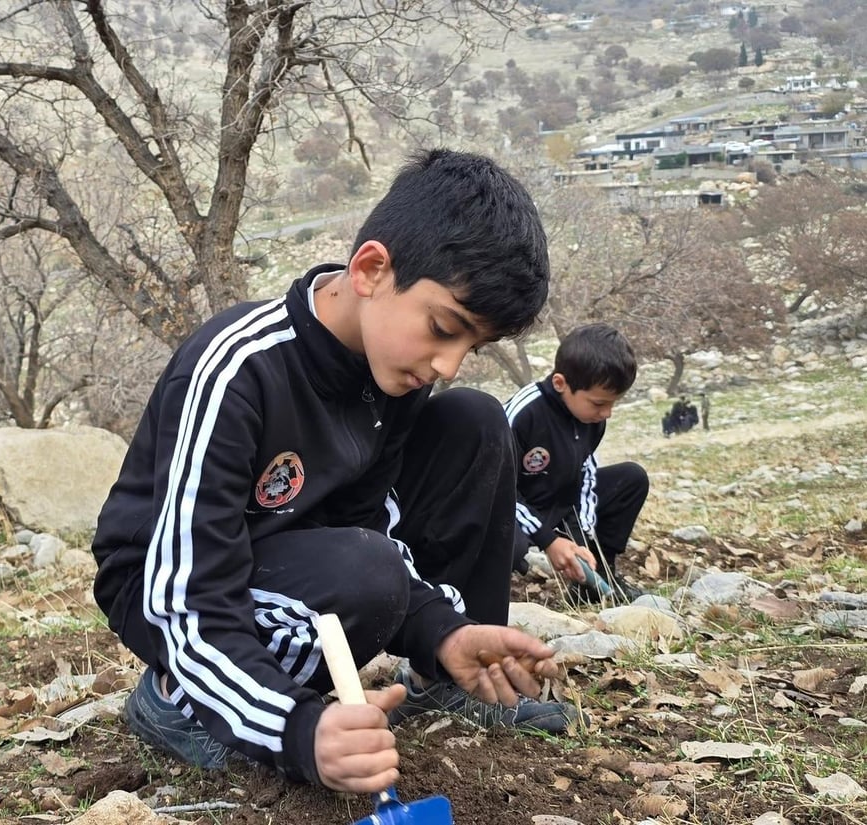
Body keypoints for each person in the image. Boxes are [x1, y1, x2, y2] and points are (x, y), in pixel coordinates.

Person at [92, 149, 579, 794]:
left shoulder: (394, 380)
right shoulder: (239, 366)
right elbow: (183, 594)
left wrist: (443, 632)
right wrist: (296, 730)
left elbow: (369, 526)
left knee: (476, 421)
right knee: (365, 574)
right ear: (372, 269)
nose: (448, 364)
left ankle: (455, 677)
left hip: (298, 561)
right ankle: (183, 698)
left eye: (472, 346)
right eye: (443, 329)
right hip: (169, 585)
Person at [504, 324, 650, 604]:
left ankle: (597, 578)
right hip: (511, 509)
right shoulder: (524, 413)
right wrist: (548, 540)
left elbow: (586, 474)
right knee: (508, 542)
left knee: (631, 479)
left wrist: (580, 537)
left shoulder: (592, 421)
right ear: (561, 384)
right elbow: (498, 488)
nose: (606, 413)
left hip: (558, 503)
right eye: (598, 403)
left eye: (612, 403)